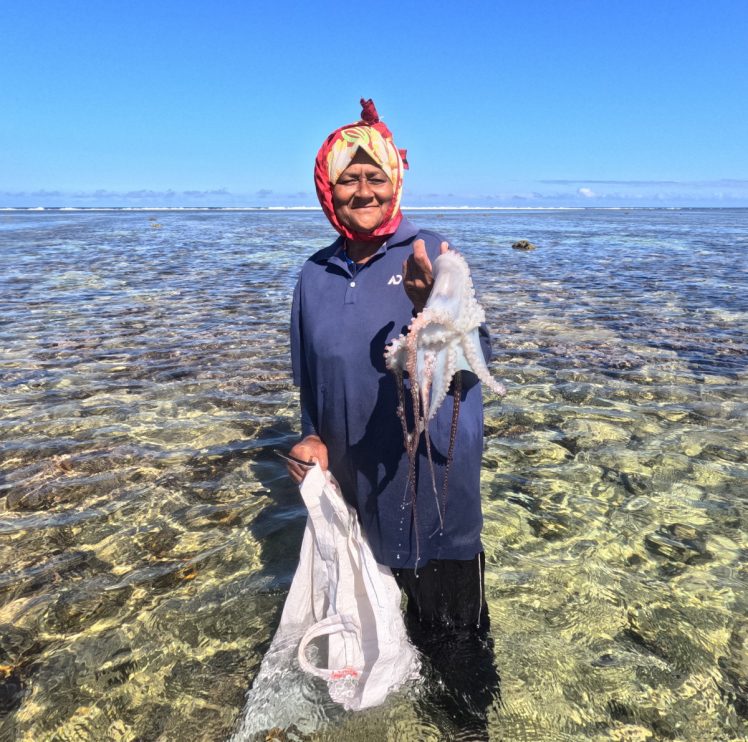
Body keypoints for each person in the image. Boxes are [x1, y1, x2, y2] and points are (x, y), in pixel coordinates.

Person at [288, 99, 499, 733]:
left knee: (456, 661)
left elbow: (472, 361)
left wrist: (425, 307)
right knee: (368, 649)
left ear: (395, 180)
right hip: (355, 505)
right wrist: (311, 437)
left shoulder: (432, 253)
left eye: (375, 177)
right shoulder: (313, 275)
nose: (362, 191)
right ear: (328, 187)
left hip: (433, 500)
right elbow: (309, 378)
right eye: (348, 179)